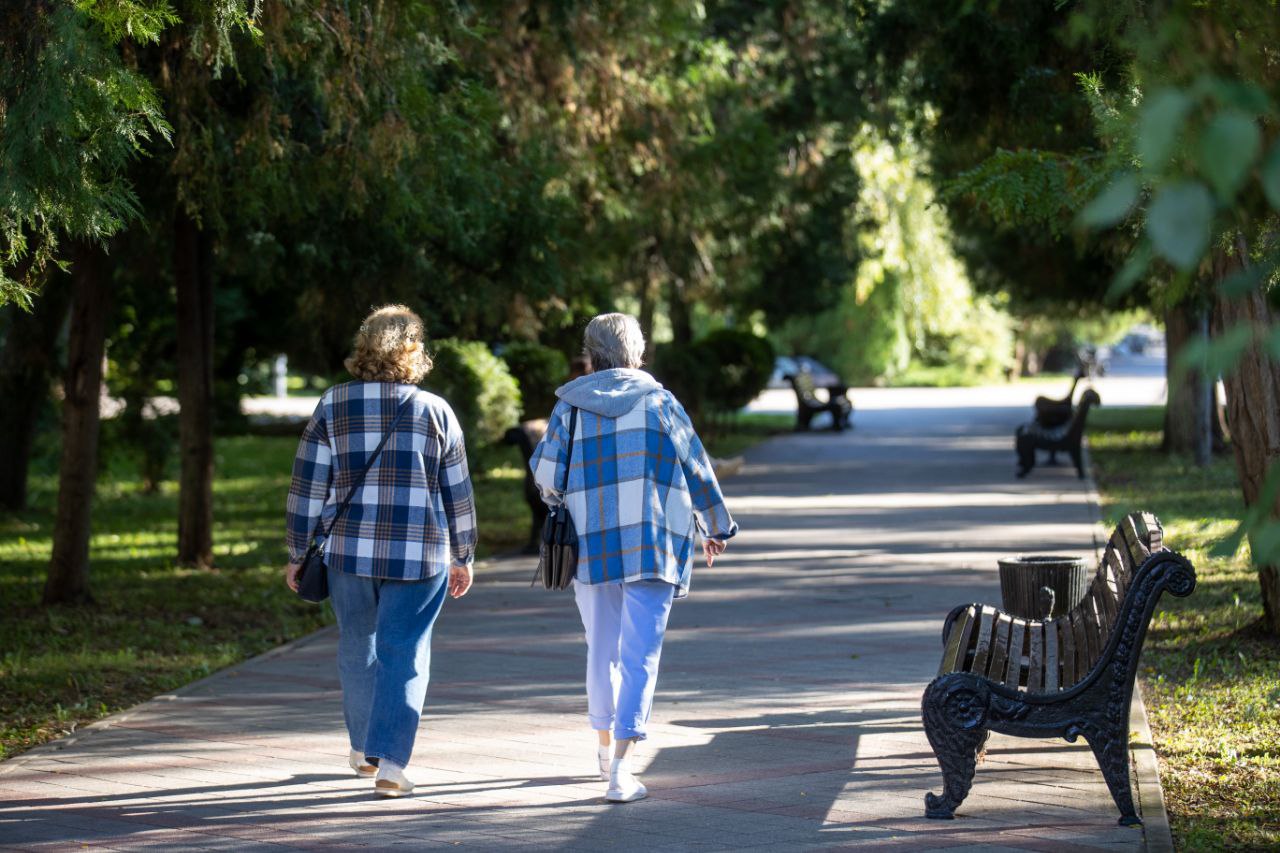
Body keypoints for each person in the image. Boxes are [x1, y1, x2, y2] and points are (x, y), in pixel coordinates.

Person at [530, 313, 738, 803]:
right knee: (639, 655)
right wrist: (715, 526)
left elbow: (546, 475)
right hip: (652, 543)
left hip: (588, 544)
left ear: (591, 355)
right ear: (637, 353)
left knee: (600, 649)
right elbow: (698, 468)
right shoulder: (661, 402)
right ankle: (622, 771)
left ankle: (605, 750)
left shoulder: (569, 406)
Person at [284, 304, 476, 798]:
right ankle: (390, 764)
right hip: (419, 554)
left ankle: (361, 749)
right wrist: (464, 554)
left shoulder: (333, 404)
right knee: (405, 653)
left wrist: (297, 550)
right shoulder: (435, 410)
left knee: (356, 645)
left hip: (348, 552)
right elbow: (457, 491)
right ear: (414, 350)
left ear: (363, 346)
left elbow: (307, 486)